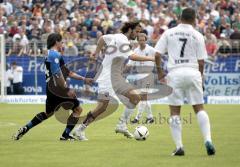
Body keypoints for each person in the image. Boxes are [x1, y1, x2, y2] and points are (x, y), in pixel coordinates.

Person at [72, 21, 155, 140]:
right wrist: (151, 58)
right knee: (101, 108)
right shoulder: (122, 40)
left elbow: (101, 39)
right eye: (136, 31)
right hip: (107, 78)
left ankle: (121, 125)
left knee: (135, 98)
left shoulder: (116, 36)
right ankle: (80, 130)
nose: (137, 35)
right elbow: (132, 57)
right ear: (130, 29)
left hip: (115, 78)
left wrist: (96, 53)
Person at [154, 8, 216, 156]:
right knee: (199, 108)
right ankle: (208, 140)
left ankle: (179, 147)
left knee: (175, 111)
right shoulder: (198, 35)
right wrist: (200, 78)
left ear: (180, 18)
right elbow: (201, 62)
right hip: (193, 71)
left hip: (175, 73)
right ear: (194, 19)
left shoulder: (169, 33)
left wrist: (161, 72)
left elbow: (157, 54)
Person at [13, 33, 93, 141]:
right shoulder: (54, 55)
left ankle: (25, 128)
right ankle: (65, 135)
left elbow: (68, 73)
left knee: (48, 113)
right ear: (56, 42)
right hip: (58, 89)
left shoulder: (50, 54)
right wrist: (67, 89)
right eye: (62, 42)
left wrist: (84, 79)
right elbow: (57, 75)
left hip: (50, 89)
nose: (63, 44)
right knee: (78, 109)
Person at [127, 33, 155, 124]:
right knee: (143, 98)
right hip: (139, 76)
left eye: (143, 40)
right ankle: (150, 117)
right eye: (140, 40)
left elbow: (158, 57)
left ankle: (137, 118)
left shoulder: (151, 50)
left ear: (145, 40)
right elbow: (130, 64)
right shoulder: (135, 51)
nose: (142, 41)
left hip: (148, 75)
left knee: (143, 97)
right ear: (138, 40)